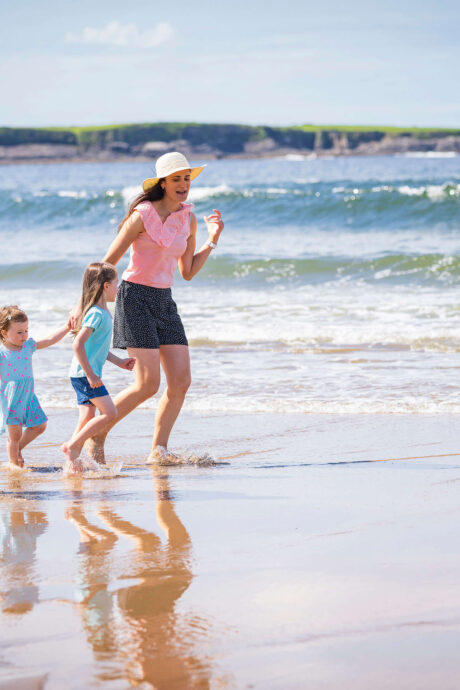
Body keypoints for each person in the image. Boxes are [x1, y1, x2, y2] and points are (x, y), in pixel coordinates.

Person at [84, 151, 224, 464]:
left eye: (187, 178)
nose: (183, 184)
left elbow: (186, 271)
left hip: (164, 300)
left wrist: (212, 240)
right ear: (162, 182)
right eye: (177, 178)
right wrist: (88, 305)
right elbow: (107, 263)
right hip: (134, 297)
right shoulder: (141, 216)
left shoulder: (187, 218)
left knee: (180, 381)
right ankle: (99, 431)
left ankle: (158, 451)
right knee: (148, 384)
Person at [61, 262, 135, 474]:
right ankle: (73, 446)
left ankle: (72, 462)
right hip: (86, 375)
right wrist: (92, 374)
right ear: (105, 286)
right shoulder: (96, 313)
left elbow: (98, 348)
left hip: (81, 374)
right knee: (110, 413)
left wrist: (119, 362)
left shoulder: (103, 313)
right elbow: (78, 344)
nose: (118, 288)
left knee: (86, 418)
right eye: (116, 283)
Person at [0, 305, 70, 468]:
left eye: (26, 330)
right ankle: (14, 466)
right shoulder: (2, 354)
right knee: (15, 435)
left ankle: (18, 449)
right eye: (19, 332)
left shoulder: (28, 346)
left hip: (28, 396)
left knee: (40, 425)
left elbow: (49, 339)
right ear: (4, 333)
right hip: (12, 400)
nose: (24, 335)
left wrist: (67, 327)